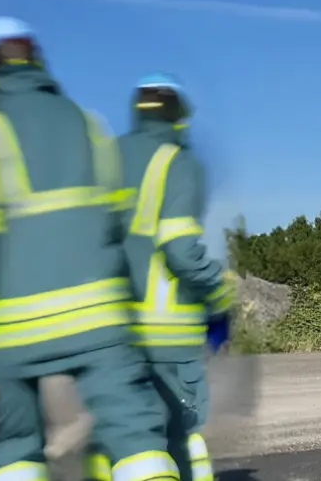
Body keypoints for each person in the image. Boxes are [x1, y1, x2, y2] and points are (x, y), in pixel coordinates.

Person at [0, 17, 181, 481]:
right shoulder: (89, 125)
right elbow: (121, 225)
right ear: (38, 61)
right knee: (135, 437)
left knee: (13, 448)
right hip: (99, 320)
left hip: (9, 330)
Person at [84, 73, 233, 481]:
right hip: (165, 334)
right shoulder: (178, 162)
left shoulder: (106, 159)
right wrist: (218, 299)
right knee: (181, 437)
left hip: (105, 330)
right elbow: (180, 249)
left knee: (118, 436)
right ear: (179, 116)